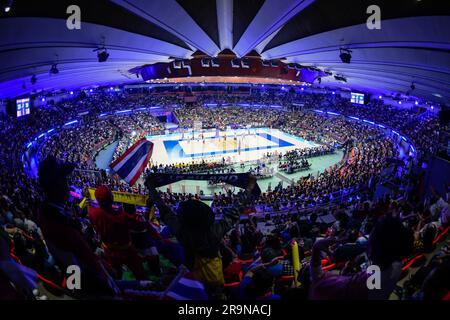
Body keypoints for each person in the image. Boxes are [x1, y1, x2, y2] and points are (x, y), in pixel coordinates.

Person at [146, 175, 257, 299]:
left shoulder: (181, 231)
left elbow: (164, 210)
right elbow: (236, 209)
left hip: (192, 278)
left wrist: (151, 187)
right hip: (214, 278)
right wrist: (250, 186)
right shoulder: (215, 230)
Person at [36, 156, 118, 297]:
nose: (68, 186)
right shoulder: (60, 223)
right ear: (55, 185)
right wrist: (82, 291)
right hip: (94, 286)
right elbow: (74, 261)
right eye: (64, 180)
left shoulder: (47, 212)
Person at [309, 216, 414, 300]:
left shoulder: (360, 285)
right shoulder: (396, 261)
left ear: (373, 247)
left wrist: (316, 248)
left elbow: (319, 280)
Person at [88, 185, 147, 280]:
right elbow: (141, 225)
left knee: (116, 275)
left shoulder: (94, 213)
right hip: (127, 250)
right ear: (111, 198)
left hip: (109, 250)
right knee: (139, 272)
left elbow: (92, 207)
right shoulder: (122, 216)